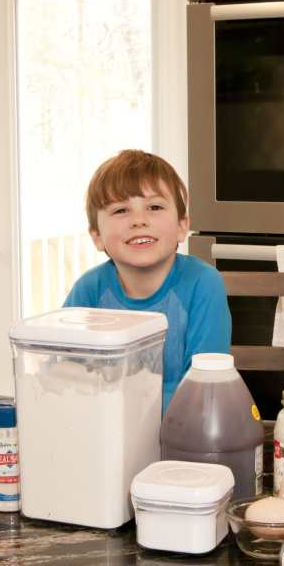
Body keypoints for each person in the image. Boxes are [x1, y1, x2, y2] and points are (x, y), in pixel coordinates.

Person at [64, 149, 232, 413]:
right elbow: (63, 377)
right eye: (121, 210)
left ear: (182, 226)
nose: (139, 221)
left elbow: (204, 390)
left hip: (183, 432)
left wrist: (113, 403)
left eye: (154, 207)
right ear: (97, 236)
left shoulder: (203, 283)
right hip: (105, 431)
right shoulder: (88, 290)